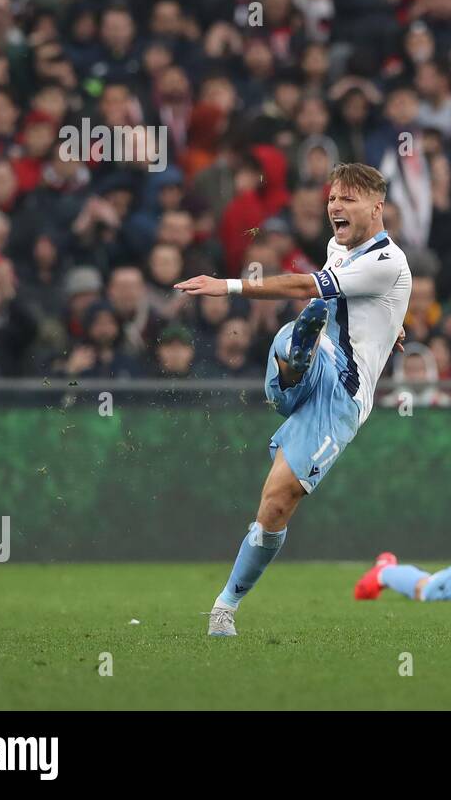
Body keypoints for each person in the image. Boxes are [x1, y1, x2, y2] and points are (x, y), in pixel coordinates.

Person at [174, 164, 412, 637]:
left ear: (377, 207)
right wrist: (391, 324)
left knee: (277, 503)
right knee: (296, 335)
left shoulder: (388, 262)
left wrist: (229, 285)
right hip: (320, 361)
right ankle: (295, 356)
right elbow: (351, 297)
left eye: (347, 199)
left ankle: (225, 606)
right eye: (332, 200)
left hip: (343, 395)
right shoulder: (337, 249)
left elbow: (309, 286)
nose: (335, 208)